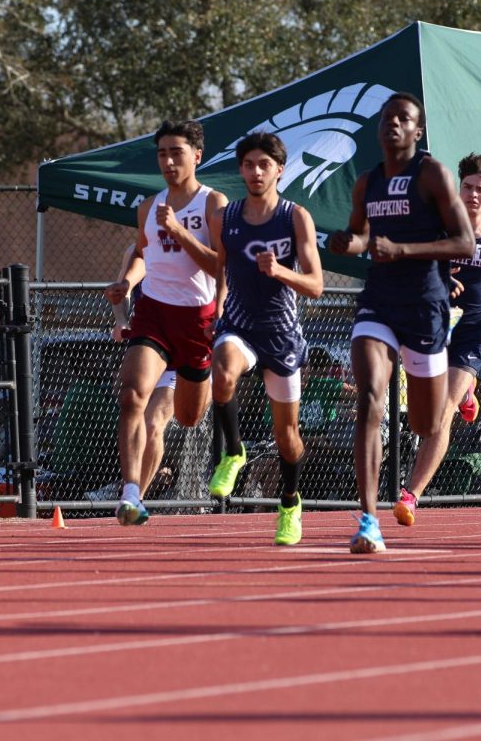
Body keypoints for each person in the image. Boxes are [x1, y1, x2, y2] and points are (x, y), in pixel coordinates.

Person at [328, 92, 474, 552]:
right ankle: (368, 518)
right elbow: (361, 236)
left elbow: (465, 243)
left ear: (418, 131)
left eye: (403, 118)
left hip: (426, 306)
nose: (393, 124)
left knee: (426, 424)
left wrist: (404, 251)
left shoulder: (431, 175)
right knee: (371, 397)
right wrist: (344, 244)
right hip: (380, 301)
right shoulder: (366, 183)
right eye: (387, 117)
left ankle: (463, 391)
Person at [393, 153, 481, 527]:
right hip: (433, 326)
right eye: (466, 187)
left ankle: (410, 495)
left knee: (442, 413)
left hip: (472, 331)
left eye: (480, 190)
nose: (472, 195)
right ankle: (469, 391)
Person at [105, 120, 227, 526]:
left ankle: (136, 493)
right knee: (131, 396)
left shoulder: (213, 204)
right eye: (162, 153)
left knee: (189, 418)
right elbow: (144, 253)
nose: (169, 161)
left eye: (177, 152)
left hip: (197, 321)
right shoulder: (148, 207)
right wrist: (127, 281)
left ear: (197, 156)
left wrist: (178, 229)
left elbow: (219, 265)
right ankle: (130, 494)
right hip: (154, 312)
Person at [206, 132, 323, 545]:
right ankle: (233, 451)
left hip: (282, 335)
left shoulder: (295, 217)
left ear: (279, 170)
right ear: (241, 169)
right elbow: (221, 268)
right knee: (221, 375)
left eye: (264, 165)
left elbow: (316, 285)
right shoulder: (226, 217)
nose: (256, 172)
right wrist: (217, 311)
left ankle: (289, 503)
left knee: (286, 438)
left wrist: (280, 272)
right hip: (238, 325)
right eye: (249, 164)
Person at [105, 241, 176, 498]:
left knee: (154, 423)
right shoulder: (137, 250)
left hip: (186, 348)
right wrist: (122, 320)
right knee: (138, 412)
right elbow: (122, 291)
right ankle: (134, 498)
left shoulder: (200, 243)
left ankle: (137, 496)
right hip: (152, 345)